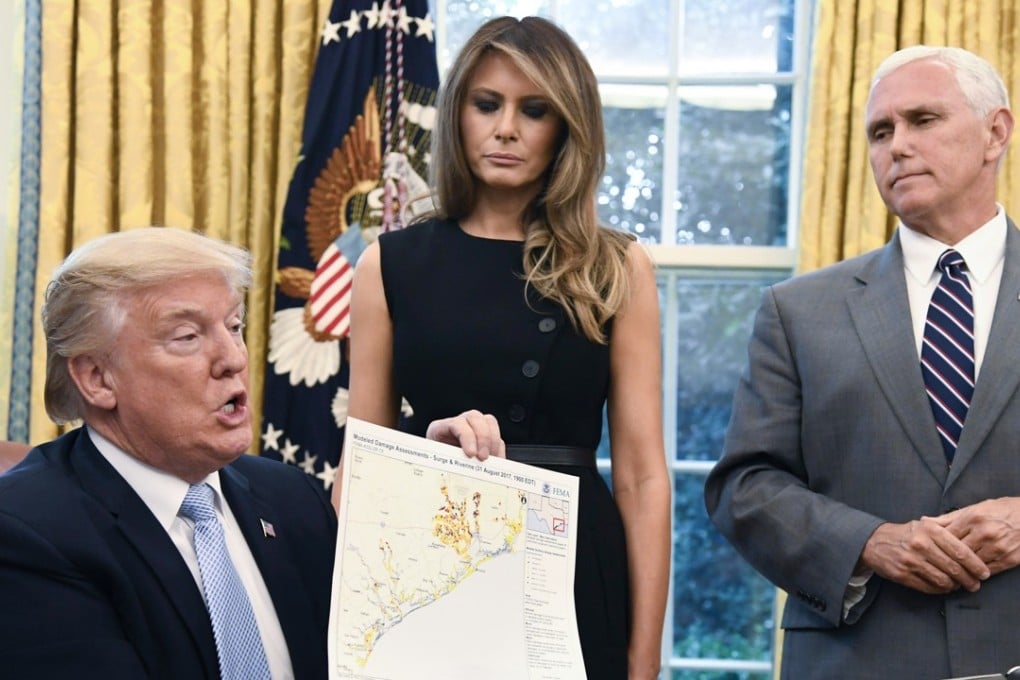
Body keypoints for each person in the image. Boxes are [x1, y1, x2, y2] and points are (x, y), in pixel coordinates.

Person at [334, 16, 670, 680]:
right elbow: (360, 467)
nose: (506, 127)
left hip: (572, 563)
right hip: (434, 561)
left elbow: (641, 475)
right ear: (458, 113)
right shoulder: (388, 263)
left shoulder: (617, 264)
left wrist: (645, 658)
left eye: (534, 109)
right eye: (487, 103)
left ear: (567, 126)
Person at [704, 45, 1020, 678]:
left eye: (922, 120)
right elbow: (744, 488)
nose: (896, 146)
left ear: (996, 133)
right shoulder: (796, 311)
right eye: (881, 131)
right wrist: (870, 544)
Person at [0, 227, 337, 679]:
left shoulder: (294, 499)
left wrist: (437, 483)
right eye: (187, 337)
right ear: (97, 378)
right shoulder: (26, 532)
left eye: (234, 327)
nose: (233, 358)